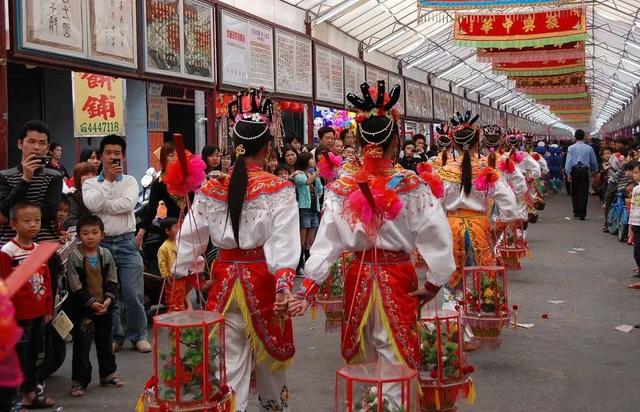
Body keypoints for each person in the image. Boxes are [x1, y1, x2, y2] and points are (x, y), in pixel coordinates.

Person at [290, 81, 455, 378]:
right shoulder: (413, 185)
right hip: (399, 277)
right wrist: (433, 283)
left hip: (359, 277)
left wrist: (307, 290)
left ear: (362, 145)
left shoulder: (342, 188)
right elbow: (437, 236)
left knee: (364, 360)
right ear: (395, 142)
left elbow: (326, 244)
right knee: (396, 359)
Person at [174, 89, 300, 411]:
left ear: (234, 145)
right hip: (264, 285)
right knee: (271, 368)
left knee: (228, 371)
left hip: (226, 284)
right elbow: (283, 241)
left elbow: (189, 239)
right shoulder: (278, 189)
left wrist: (183, 273)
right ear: (268, 146)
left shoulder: (211, 188)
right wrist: (285, 283)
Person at [435, 112, 518, 312]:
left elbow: (434, 205)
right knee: (478, 273)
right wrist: (500, 225)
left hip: (451, 226)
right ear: (478, 140)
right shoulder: (487, 170)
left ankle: (453, 316)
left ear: (453, 144)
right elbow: (509, 204)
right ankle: (476, 314)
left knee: (451, 271)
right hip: (479, 226)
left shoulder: (443, 171)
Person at [83, 134, 151, 353]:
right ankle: (116, 336)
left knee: (133, 294)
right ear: (101, 156)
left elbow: (127, 205)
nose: (113, 157)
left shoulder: (131, 181)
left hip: (126, 243)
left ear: (123, 156)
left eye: (117, 154)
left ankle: (138, 335)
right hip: (101, 245)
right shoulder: (91, 183)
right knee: (107, 296)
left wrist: (106, 203)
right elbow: (93, 206)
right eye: (109, 153)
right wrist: (108, 183)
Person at [0, 202, 55, 409]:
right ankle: (11, 402)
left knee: (35, 356)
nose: (33, 225)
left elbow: (47, 281)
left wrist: (49, 308)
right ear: (14, 224)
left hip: (38, 313)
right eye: (27, 221)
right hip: (17, 316)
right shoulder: (8, 252)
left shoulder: (40, 249)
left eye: (37, 220)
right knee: (17, 359)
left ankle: (29, 395)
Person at [66, 215, 123, 397]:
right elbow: (75, 285)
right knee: (82, 346)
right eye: (85, 233)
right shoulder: (74, 256)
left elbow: (113, 279)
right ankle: (79, 381)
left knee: (105, 341)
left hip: (104, 307)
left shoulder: (105, 255)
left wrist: (108, 300)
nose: (90, 237)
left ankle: (108, 374)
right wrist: (91, 304)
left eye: (94, 233)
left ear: (102, 235)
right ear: (79, 236)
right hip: (84, 309)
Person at [0, 120, 63, 247]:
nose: (36, 147)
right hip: (10, 247)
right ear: (20, 144)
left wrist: (14, 215)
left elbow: (49, 213)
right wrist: (25, 180)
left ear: (47, 148)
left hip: (45, 246)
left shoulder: (54, 176)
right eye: (31, 141)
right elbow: (4, 211)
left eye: (42, 143)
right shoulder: (4, 176)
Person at [135, 142, 185, 249]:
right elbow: (151, 210)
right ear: (163, 158)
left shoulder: (188, 176)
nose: (175, 158)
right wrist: (141, 232)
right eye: (171, 155)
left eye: (177, 155)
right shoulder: (159, 183)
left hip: (193, 223)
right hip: (173, 228)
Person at [292, 151, 322, 277]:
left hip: (314, 209)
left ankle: (308, 265)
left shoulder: (313, 175)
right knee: (302, 240)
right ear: (305, 160)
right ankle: (298, 266)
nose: (313, 161)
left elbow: (320, 190)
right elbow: (306, 182)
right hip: (304, 208)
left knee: (310, 240)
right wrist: (316, 174)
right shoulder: (299, 174)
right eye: (311, 159)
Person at [157, 217, 193, 312]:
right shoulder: (164, 247)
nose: (179, 229)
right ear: (167, 231)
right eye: (176, 227)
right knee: (173, 299)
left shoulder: (181, 243)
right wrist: (165, 275)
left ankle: (182, 314)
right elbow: (162, 263)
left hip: (183, 275)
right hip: (172, 278)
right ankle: (175, 319)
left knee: (181, 296)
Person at [565, 129, 598, 220]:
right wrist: (595, 170)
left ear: (575, 137)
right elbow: (593, 161)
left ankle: (576, 212)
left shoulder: (571, 148)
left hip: (574, 171)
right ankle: (583, 212)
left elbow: (569, 162)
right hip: (584, 171)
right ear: (584, 137)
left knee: (574, 191)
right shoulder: (589, 148)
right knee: (584, 191)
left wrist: (568, 173)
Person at [64, 162, 98, 231]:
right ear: (78, 178)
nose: (91, 177)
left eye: (93, 174)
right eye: (86, 174)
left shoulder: (101, 194)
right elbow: (68, 222)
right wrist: (91, 224)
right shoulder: (73, 198)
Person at [629, 163, 640, 279]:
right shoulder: (636, 189)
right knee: (637, 248)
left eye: (637, 172)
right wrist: (630, 225)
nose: (634, 175)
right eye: (634, 172)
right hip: (636, 223)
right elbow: (632, 207)